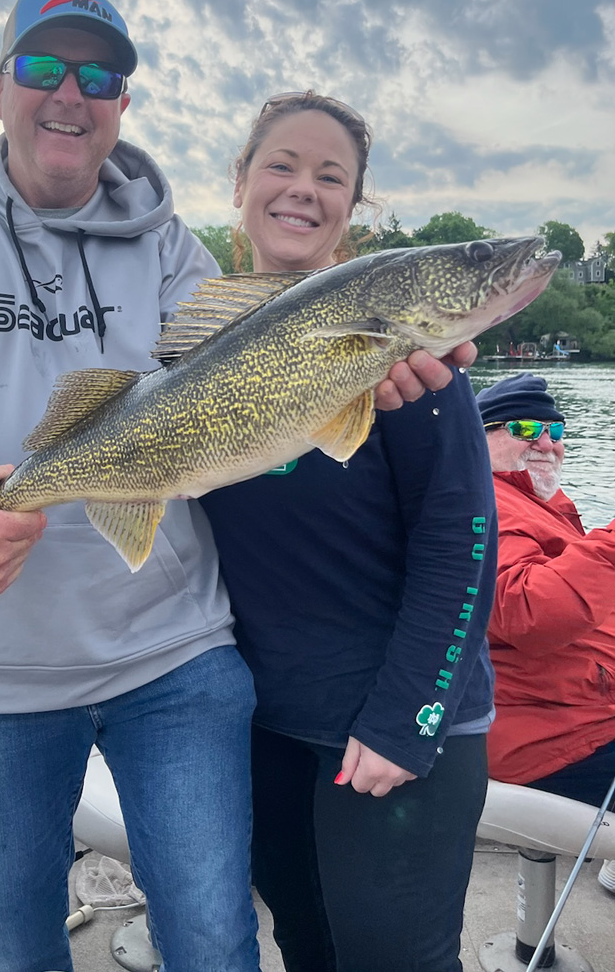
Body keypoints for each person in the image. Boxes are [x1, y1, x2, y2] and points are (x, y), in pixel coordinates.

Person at [0, 0, 474, 972]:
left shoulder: (178, 258)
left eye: (101, 75)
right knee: (9, 944)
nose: (70, 93)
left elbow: (249, 386)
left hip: (177, 659)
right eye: (44, 68)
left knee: (216, 939)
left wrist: (383, 353)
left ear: (122, 102)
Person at [201, 91, 498, 972]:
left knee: (393, 959)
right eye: (281, 165)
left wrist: (411, 715)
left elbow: (465, 538)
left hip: (397, 720)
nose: (302, 189)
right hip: (268, 722)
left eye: (331, 177)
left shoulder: (403, 351)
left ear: (353, 205)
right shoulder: (195, 340)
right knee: (308, 947)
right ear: (243, 183)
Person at [475, 372, 615, 890]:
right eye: (525, 427)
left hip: (580, 710)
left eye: (556, 430)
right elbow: (527, 609)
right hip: (549, 736)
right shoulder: (483, 503)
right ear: (477, 437)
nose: (546, 442)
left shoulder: (539, 504)